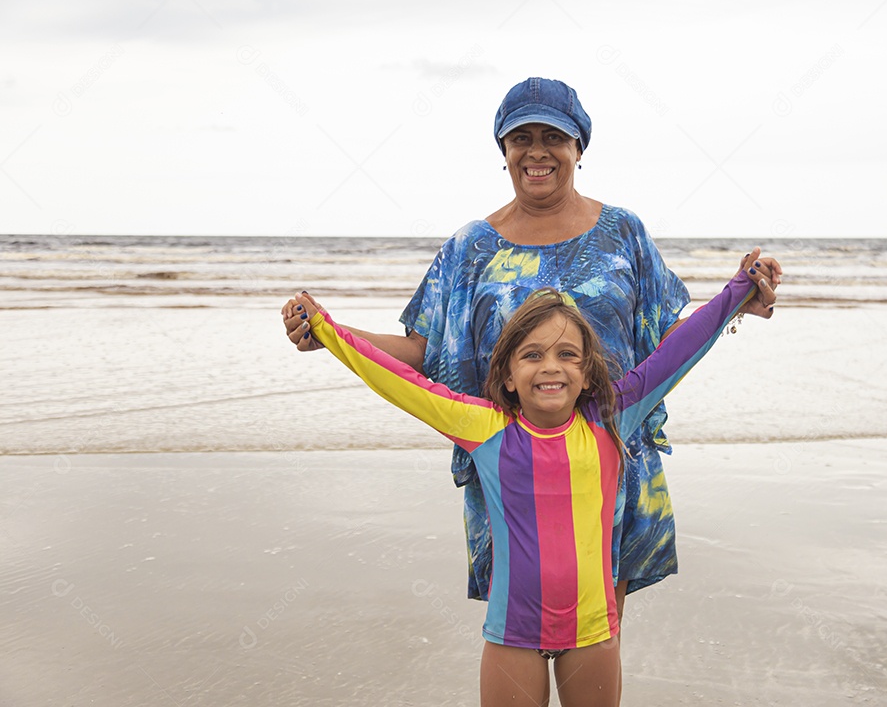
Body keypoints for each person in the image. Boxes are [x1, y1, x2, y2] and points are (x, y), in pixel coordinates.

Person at [282, 77, 781, 624]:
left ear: (579, 149)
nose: (537, 151)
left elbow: (665, 341)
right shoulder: (470, 247)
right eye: (521, 138)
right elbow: (424, 351)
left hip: (609, 449)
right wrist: (331, 335)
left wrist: (737, 305)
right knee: (516, 622)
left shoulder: (623, 233)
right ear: (503, 150)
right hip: (507, 460)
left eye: (554, 137)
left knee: (597, 623)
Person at [292, 251, 773, 705]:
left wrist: (738, 289)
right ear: (506, 375)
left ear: (587, 373)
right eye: (532, 355)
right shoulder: (482, 427)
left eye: (568, 354)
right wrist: (326, 330)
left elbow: (680, 350)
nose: (550, 367)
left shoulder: (611, 419)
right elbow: (399, 381)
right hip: (511, 639)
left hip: (593, 635)